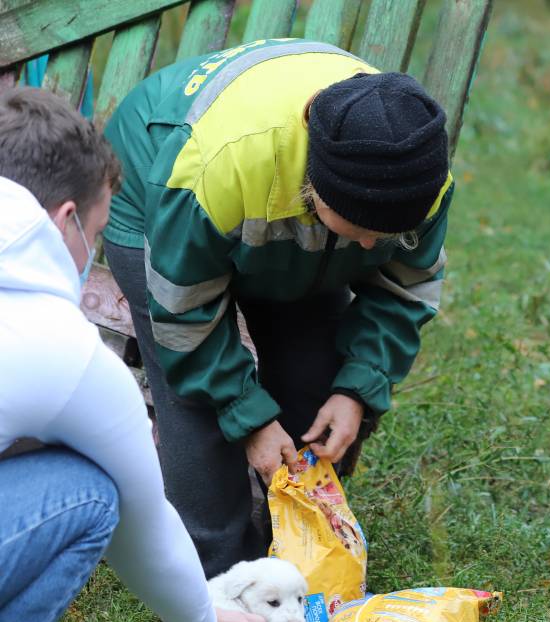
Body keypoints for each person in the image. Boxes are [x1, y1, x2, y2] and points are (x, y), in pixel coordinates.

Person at [102, 38, 455, 578]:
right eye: (360, 230)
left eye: (389, 236)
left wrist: (356, 390)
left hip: (289, 217)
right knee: (196, 411)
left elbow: (404, 292)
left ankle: (290, 557)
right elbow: (185, 322)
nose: (369, 249)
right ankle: (217, 578)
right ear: (314, 189)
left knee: (316, 387)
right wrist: (247, 420)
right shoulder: (215, 170)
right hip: (156, 193)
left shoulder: (420, 177)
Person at [0, 87, 272, 622]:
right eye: (95, 236)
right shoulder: (63, 352)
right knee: (91, 492)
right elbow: (144, 513)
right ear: (67, 221)